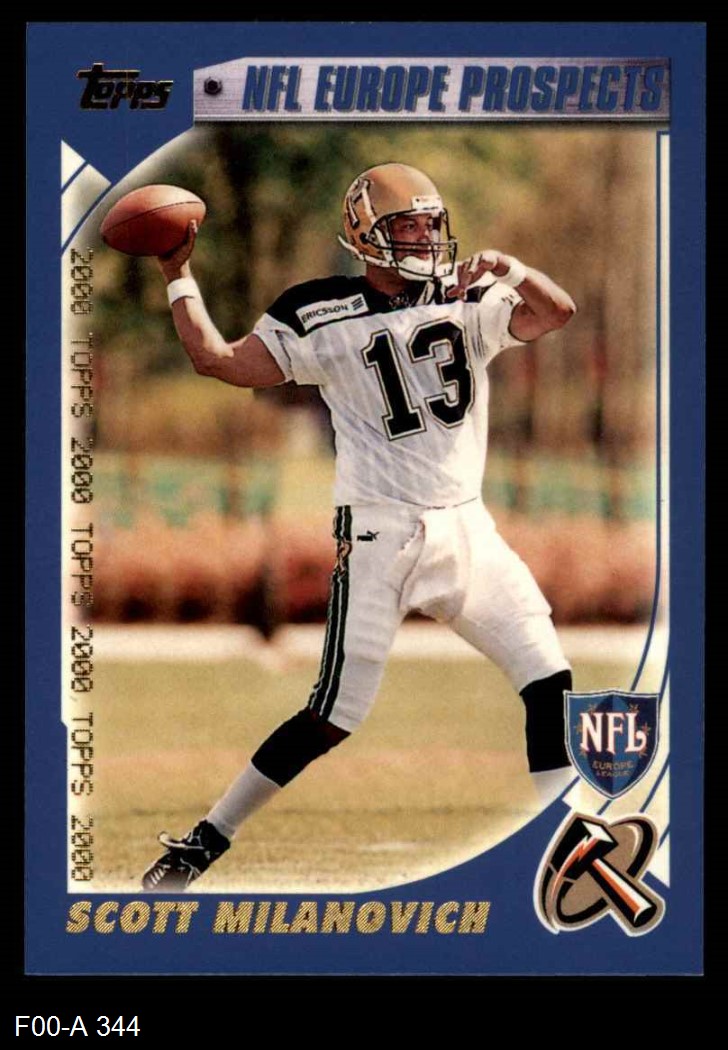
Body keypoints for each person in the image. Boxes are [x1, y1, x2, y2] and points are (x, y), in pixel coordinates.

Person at [141, 162, 577, 891]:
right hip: (380, 534)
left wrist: (516, 268)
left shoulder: (466, 293)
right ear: (366, 237)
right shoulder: (315, 310)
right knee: (332, 715)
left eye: (432, 224)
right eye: (408, 226)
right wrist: (177, 274)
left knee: (550, 679)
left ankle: (564, 851)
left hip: (468, 527)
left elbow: (555, 313)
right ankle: (201, 843)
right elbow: (217, 361)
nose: (425, 239)